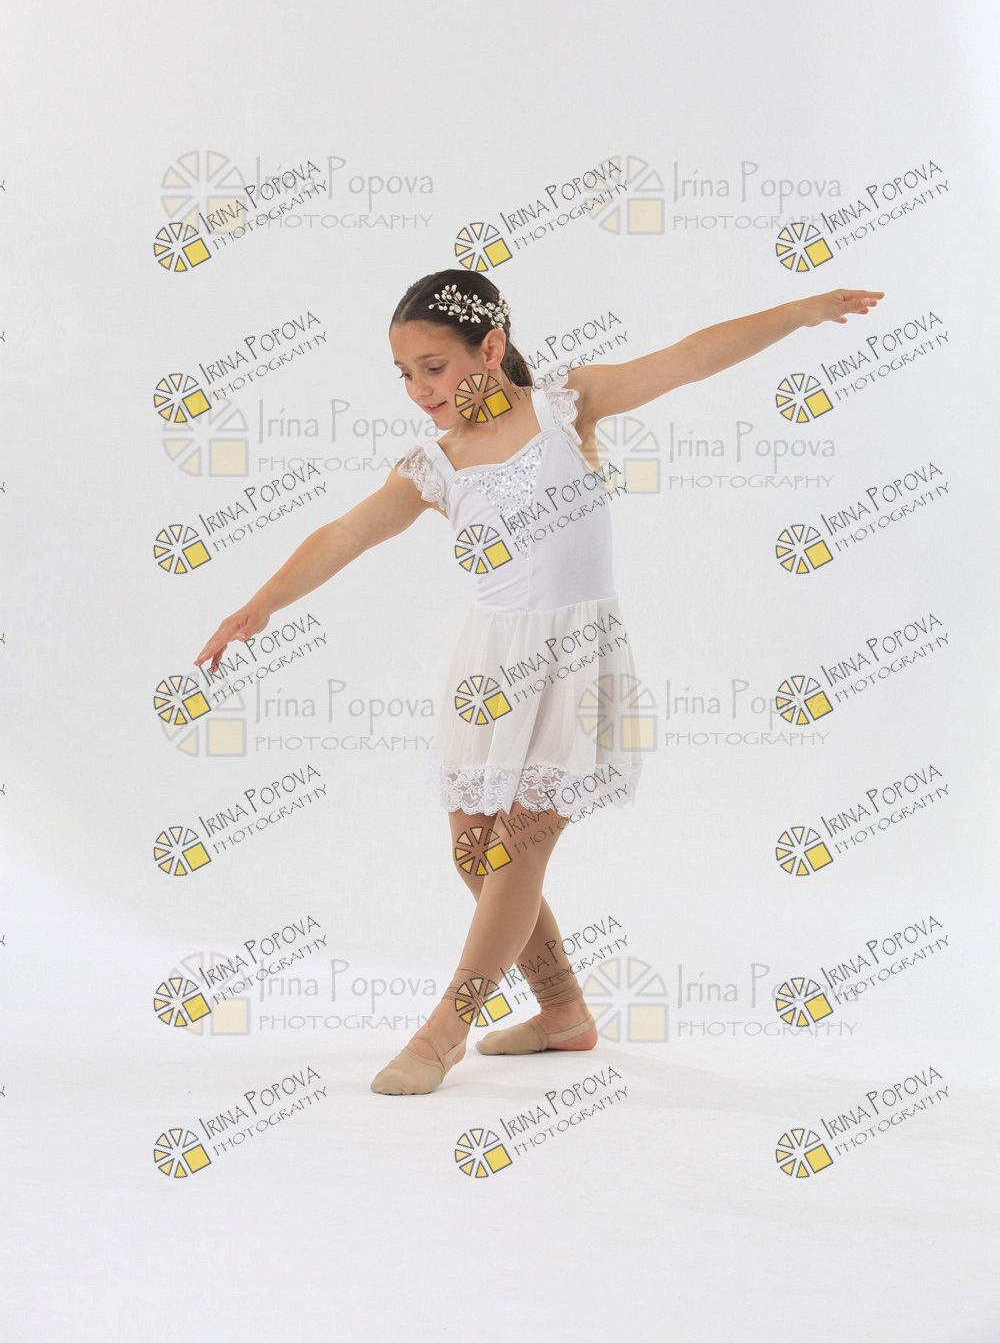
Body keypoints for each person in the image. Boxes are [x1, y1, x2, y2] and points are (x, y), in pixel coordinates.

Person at [193, 268, 884, 1095]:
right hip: (490, 666)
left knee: (516, 850)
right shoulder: (436, 464)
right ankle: (563, 1013)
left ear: (491, 348)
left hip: (574, 660)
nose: (420, 390)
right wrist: (261, 604)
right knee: (473, 853)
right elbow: (345, 533)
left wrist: (801, 310)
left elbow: (692, 357)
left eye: (434, 368)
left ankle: (444, 1031)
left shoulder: (566, 407)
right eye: (405, 374)